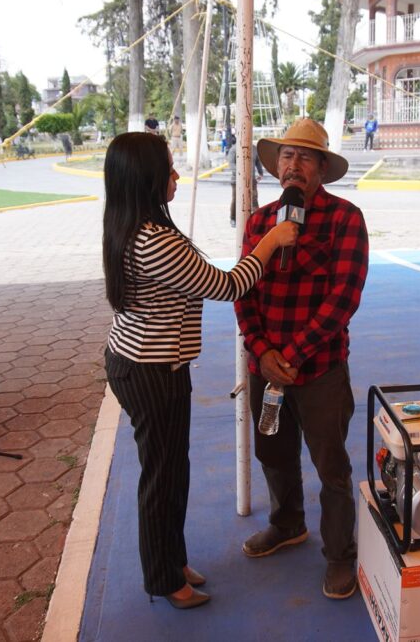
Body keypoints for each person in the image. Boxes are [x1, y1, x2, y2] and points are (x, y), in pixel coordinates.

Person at [102, 132, 298, 610]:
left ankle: (172, 560)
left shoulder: (133, 224)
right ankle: (164, 579)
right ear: (144, 178)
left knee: (172, 470)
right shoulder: (151, 241)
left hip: (148, 363)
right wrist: (271, 240)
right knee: (162, 478)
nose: (175, 176)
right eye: (167, 169)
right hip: (151, 370)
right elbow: (228, 285)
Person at [234, 118, 369, 600]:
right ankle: (287, 524)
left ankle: (340, 555)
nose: (294, 165)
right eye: (287, 156)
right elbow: (243, 290)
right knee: (272, 453)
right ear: (277, 167)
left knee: (331, 466)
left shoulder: (345, 219)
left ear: (322, 169)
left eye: (305, 158)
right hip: (266, 369)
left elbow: (343, 299)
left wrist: (290, 355)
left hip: (319, 371)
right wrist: (262, 350)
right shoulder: (259, 222)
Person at [227, 133, 264, 227]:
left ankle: (257, 219)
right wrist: (241, 173)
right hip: (237, 180)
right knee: (236, 199)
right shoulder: (234, 149)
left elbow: (258, 162)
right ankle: (233, 218)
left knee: (254, 199)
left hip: (252, 179)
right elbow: (231, 164)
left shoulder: (254, 148)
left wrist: (260, 173)